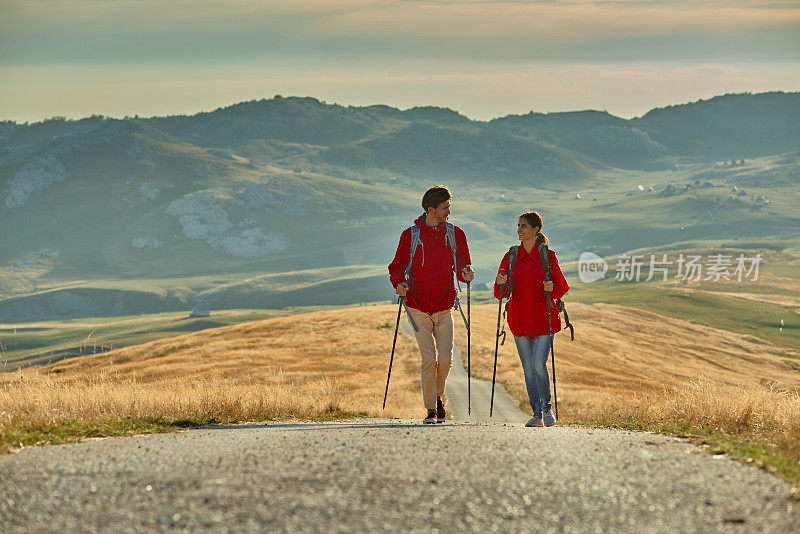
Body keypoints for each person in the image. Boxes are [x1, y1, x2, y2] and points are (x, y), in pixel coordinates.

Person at [388, 185, 474, 424]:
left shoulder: (456, 234)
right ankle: (431, 410)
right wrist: (399, 283)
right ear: (431, 209)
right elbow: (396, 267)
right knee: (428, 359)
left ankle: (437, 396)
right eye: (445, 207)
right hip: (416, 307)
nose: (449, 211)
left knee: (445, 359)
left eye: (449, 207)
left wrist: (466, 273)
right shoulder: (410, 235)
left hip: (445, 307)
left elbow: (462, 265)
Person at [493, 211, 569, 427]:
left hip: (544, 320)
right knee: (527, 368)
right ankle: (536, 414)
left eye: (524, 226)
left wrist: (552, 288)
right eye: (518, 225)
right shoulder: (510, 256)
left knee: (538, 364)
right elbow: (500, 294)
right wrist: (500, 282)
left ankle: (547, 409)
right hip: (519, 320)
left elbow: (562, 287)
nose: (519, 229)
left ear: (535, 230)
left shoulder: (548, 256)